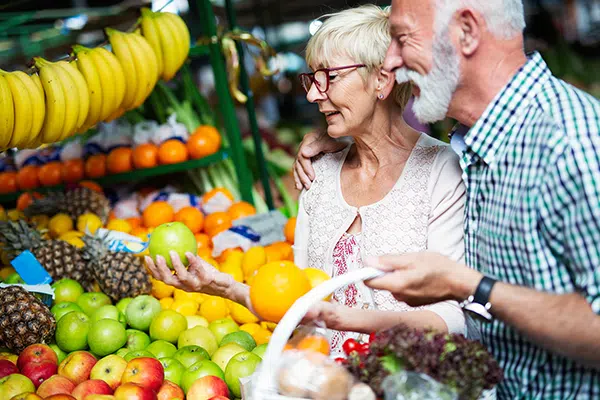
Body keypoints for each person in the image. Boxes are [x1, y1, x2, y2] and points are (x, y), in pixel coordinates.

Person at [293, 0, 600, 398]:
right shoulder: (476, 145)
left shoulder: (569, 144)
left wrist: (472, 286)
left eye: (402, 38)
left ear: (467, 32)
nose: (391, 62)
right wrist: (335, 138)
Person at [146, 4, 468, 357]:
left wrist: (344, 319)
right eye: (312, 78)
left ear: (382, 79)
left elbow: (453, 317)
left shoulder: (441, 171)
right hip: (323, 383)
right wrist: (223, 287)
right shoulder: (319, 176)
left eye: (330, 76)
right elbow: (298, 304)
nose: (313, 94)